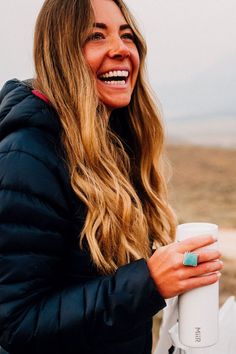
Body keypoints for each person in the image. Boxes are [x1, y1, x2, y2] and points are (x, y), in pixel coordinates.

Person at [0, 1, 223, 353]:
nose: (120, 49)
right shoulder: (26, 157)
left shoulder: (116, 144)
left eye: (127, 35)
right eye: (96, 36)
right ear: (61, 55)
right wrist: (148, 283)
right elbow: (17, 323)